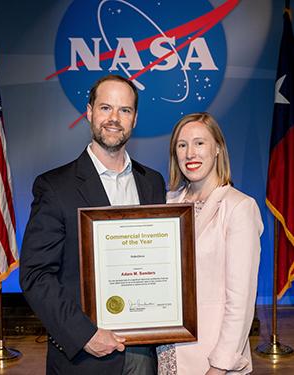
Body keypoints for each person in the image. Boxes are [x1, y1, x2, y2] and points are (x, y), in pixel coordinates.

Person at [20, 74, 166, 375]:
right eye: (105, 108)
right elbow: (35, 274)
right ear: (89, 113)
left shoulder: (152, 183)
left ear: (135, 119)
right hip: (85, 359)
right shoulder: (54, 187)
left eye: (124, 110)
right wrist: (84, 335)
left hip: (145, 353)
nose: (114, 118)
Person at [157, 112, 263, 375]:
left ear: (217, 148)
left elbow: (240, 300)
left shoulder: (239, 207)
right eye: (182, 145)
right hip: (165, 355)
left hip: (210, 362)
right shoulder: (166, 204)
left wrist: (220, 365)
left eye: (199, 143)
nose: (190, 153)